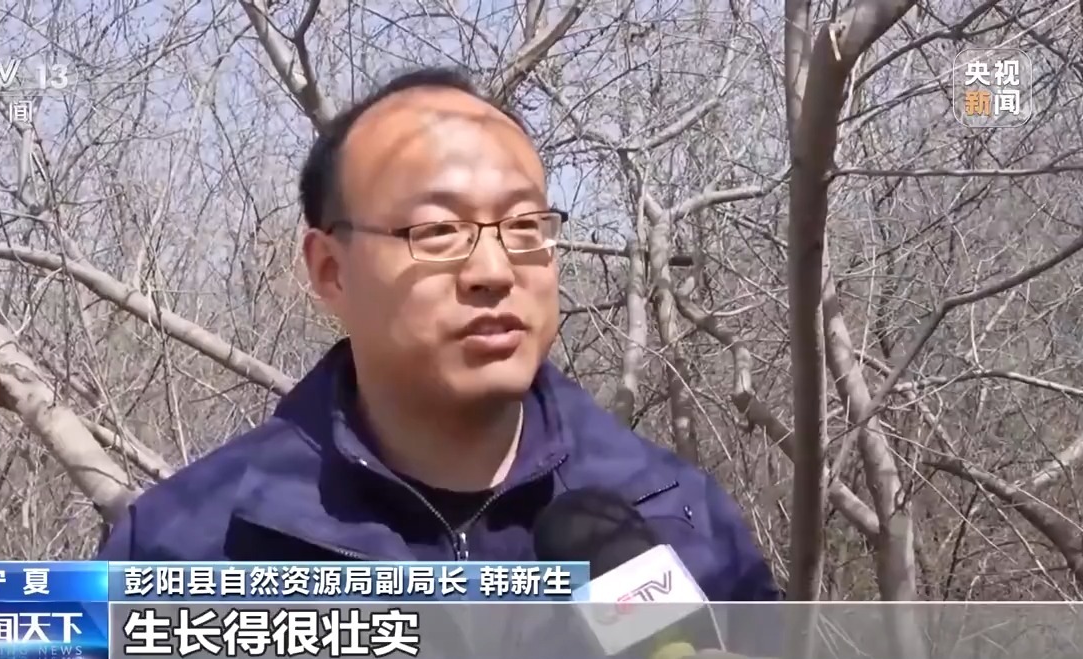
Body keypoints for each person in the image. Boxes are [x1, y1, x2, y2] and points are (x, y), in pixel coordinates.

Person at [96, 66, 781, 604]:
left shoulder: (677, 522)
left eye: (524, 226)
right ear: (331, 271)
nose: (494, 270)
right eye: (439, 232)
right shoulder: (186, 548)